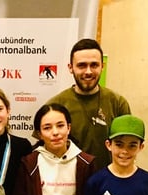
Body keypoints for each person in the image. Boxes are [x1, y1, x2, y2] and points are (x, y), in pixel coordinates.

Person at [47, 38, 130, 170]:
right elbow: (46, 151)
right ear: (70, 68)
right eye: (82, 65)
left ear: (102, 66)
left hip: (107, 179)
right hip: (68, 179)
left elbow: (127, 147)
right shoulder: (55, 105)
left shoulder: (118, 103)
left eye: (94, 65)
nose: (88, 71)